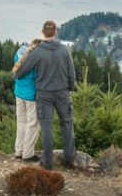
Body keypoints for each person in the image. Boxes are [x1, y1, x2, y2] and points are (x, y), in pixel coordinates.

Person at [12, 20, 76, 170]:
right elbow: (71, 74)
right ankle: (69, 158)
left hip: (44, 95)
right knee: (67, 123)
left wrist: (17, 74)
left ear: (42, 32)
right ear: (55, 32)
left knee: (47, 127)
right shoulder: (64, 50)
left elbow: (20, 72)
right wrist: (70, 88)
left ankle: (47, 163)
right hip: (62, 93)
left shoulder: (37, 52)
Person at [12, 39, 41, 161]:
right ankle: (28, 153)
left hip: (19, 94)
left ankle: (18, 151)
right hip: (31, 96)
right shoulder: (36, 59)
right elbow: (39, 78)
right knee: (33, 124)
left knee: (21, 122)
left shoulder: (20, 52)